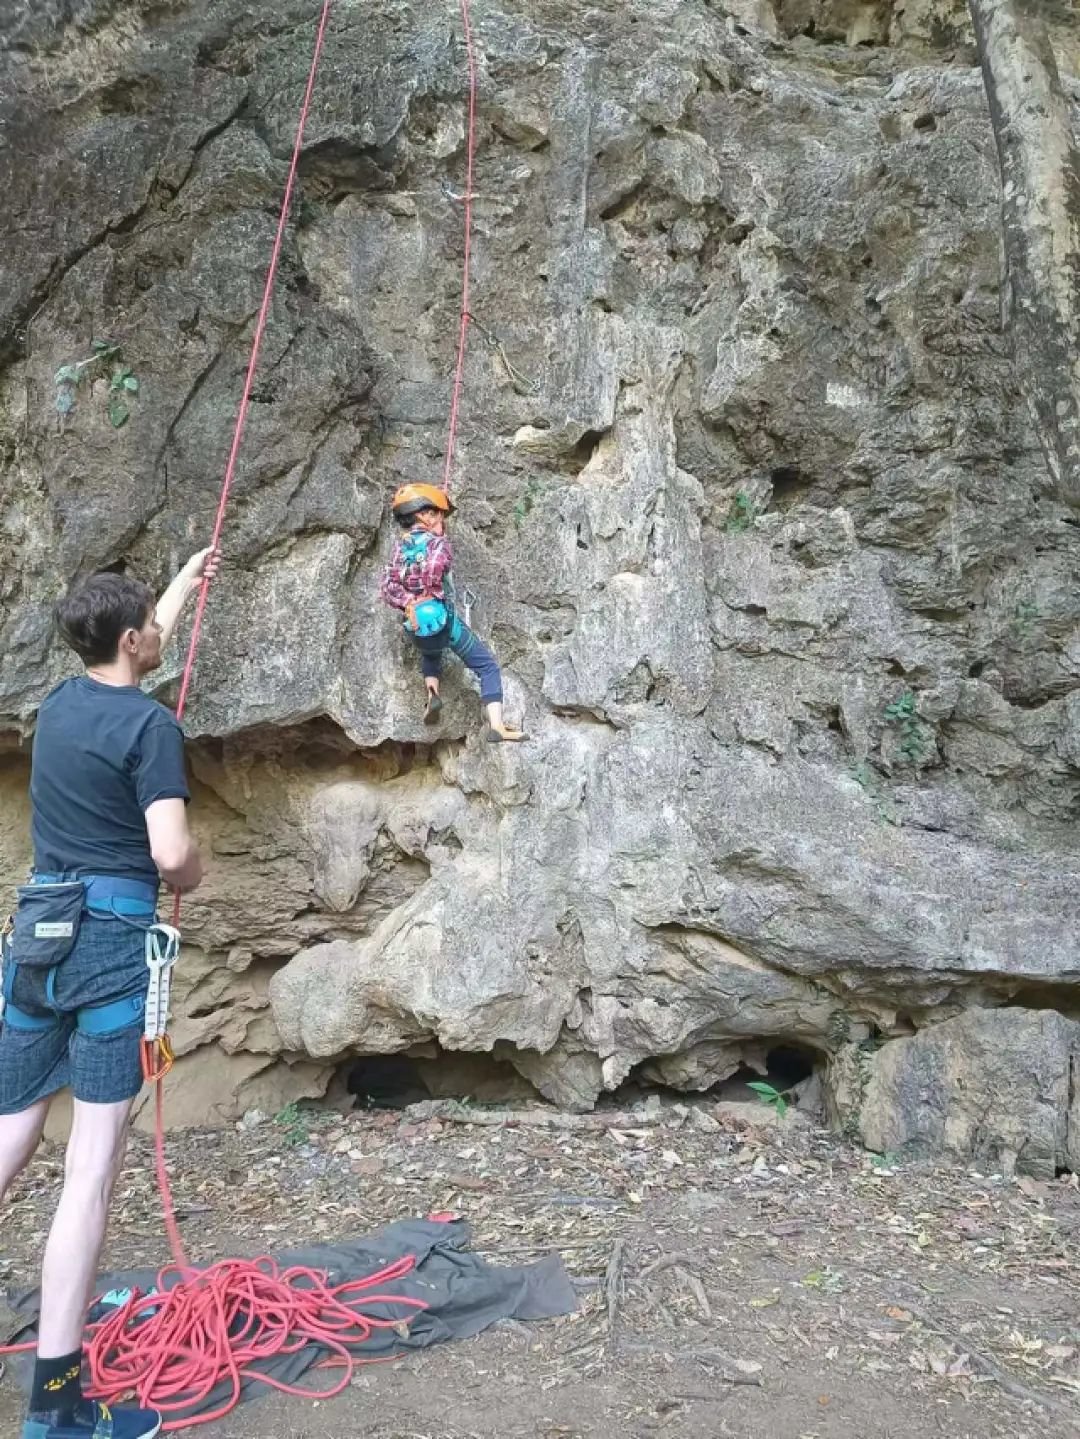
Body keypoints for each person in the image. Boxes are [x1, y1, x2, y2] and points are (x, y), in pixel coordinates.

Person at [0, 547, 218, 1439]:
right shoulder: (151, 728)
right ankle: (57, 1410)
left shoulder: (57, 706)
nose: (162, 633)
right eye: (153, 626)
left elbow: (125, 646)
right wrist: (196, 872)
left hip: (36, 938)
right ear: (134, 640)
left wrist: (182, 582)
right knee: (86, 1172)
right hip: (110, 948)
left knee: (8, 1137)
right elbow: (169, 854)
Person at [379, 484, 525, 741]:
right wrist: (430, 591)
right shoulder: (438, 544)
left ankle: (432, 695)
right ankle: (497, 727)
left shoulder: (400, 549)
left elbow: (387, 586)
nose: (442, 520)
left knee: (431, 654)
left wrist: (410, 602)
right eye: (438, 514)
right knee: (488, 667)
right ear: (424, 515)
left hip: (416, 626)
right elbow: (436, 566)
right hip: (442, 622)